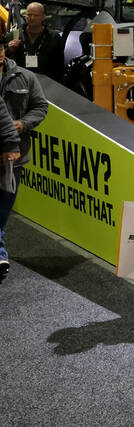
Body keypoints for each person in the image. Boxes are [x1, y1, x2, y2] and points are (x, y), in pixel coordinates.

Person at [0, 54, 41, 278]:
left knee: (4, 207)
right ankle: (0, 252)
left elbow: (40, 107)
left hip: (15, 157)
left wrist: (23, 124)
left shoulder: (25, 77)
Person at [5, 1, 65, 83]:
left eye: (36, 15)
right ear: (25, 16)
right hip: (19, 82)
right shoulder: (13, 35)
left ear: (43, 17)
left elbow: (59, 66)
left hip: (47, 84)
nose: (32, 18)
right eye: (29, 15)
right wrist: (9, 50)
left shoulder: (54, 37)